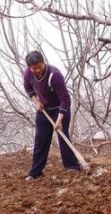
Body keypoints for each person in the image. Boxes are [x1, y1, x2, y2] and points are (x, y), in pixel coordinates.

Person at [23, 50, 80, 180]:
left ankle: (71, 166)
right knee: (41, 140)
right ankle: (35, 172)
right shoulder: (28, 74)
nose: (37, 70)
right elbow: (28, 88)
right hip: (44, 110)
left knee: (62, 135)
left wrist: (59, 119)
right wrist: (36, 101)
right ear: (29, 68)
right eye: (34, 68)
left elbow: (65, 98)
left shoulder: (54, 75)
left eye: (39, 67)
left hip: (60, 108)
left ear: (43, 62)